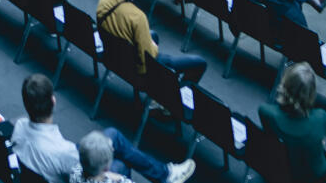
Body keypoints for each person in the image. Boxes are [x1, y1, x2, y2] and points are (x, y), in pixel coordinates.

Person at [11, 73, 196, 183]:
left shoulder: (18, 127)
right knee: (121, 165)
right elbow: (86, 174)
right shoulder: (64, 153)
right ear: (53, 101)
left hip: (45, 165)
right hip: (64, 166)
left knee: (112, 135)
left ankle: (164, 174)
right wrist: (110, 175)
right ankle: (165, 175)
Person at [96, 0, 207, 83]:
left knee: (153, 34)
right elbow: (145, 63)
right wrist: (153, 47)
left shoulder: (104, 0)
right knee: (199, 63)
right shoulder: (137, 17)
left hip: (113, 57)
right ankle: (173, 94)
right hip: (136, 72)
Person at [258, 63, 326, 183]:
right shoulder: (320, 117)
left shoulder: (266, 112)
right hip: (312, 175)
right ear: (311, 93)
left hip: (280, 168)